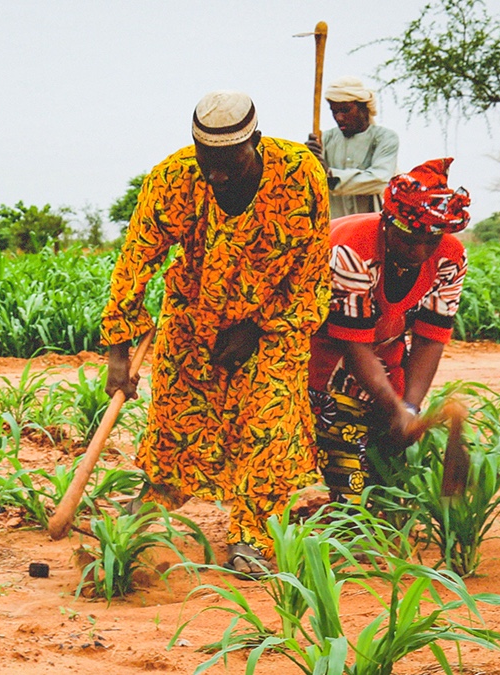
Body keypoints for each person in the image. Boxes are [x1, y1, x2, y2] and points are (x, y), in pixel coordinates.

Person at [102, 91, 330, 576]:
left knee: (266, 424)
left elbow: (310, 273)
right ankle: (157, 498)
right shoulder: (173, 178)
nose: (217, 175)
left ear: (257, 143)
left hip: (275, 318)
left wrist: (258, 326)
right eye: (208, 162)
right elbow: (136, 260)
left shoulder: (300, 175)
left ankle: (252, 537)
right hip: (195, 311)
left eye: (230, 163)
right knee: (177, 413)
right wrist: (118, 351)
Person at [308, 158, 470, 503]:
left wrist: (409, 407)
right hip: (322, 352)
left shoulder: (450, 258)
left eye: (431, 241)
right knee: (344, 449)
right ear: (387, 221)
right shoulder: (353, 250)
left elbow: (430, 336)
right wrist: (393, 407)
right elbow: (353, 345)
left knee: (385, 462)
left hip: (384, 354)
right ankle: (342, 515)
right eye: (409, 238)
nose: (419, 251)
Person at [305, 76, 399, 217]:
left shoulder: (384, 138)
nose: (339, 118)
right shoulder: (325, 139)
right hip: (333, 226)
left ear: (363, 108)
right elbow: (309, 184)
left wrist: (330, 175)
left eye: (345, 110)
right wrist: (307, 158)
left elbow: (380, 179)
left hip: (370, 224)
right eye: (334, 112)